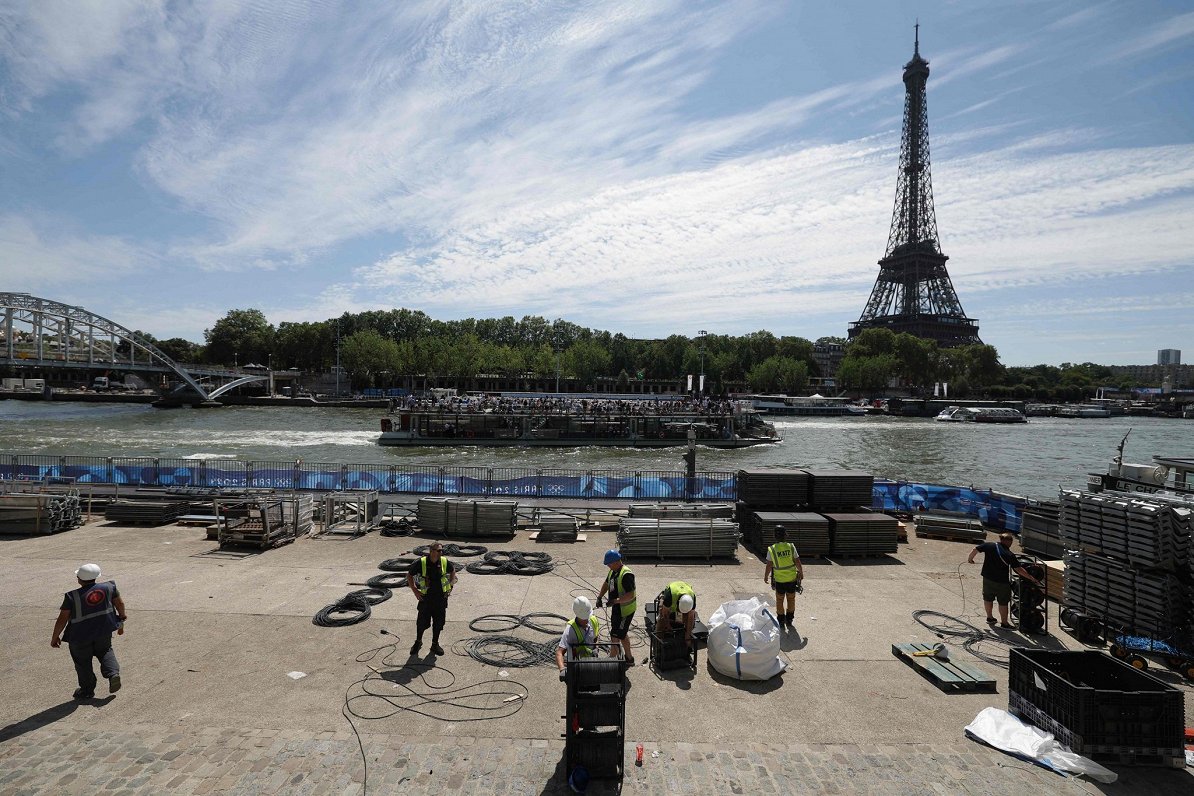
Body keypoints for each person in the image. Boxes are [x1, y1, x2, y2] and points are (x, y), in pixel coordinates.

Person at [51, 563, 126, 700]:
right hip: (103, 631)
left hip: (79, 637)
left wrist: (55, 636)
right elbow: (120, 603)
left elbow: (62, 618)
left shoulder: (71, 596)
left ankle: (87, 690)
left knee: (82, 662)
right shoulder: (109, 587)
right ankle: (113, 674)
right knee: (105, 651)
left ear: (79, 579)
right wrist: (122, 617)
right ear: (97, 577)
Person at [968, 533, 1042, 629]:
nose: (1011, 544)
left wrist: (970, 559)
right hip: (1001, 582)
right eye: (1011, 542)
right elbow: (1019, 569)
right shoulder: (1009, 554)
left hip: (987, 578)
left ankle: (989, 618)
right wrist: (1031, 578)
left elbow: (975, 549)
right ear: (1008, 541)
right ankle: (1004, 623)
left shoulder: (989, 545)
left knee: (988, 598)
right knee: (1003, 602)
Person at [407, 541, 457, 656]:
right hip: (426, 598)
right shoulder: (422, 562)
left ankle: (435, 644)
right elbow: (409, 575)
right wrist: (415, 591)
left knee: (439, 623)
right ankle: (418, 642)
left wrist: (451, 585)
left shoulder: (444, 561)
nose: (441, 552)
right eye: (439, 550)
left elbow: (453, 570)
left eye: (441, 550)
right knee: (421, 622)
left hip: (440, 598)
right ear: (432, 551)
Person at [595, 549, 636, 665]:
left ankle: (611, 662)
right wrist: (599, 597)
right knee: (622, 634)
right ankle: (629, 659)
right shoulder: (613, 571)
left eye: (609, 563)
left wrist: (615, 601)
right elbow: (607, 583)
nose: (608, 566)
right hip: (617, 608)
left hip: (625, 611)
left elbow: (630, 595)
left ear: (616, 561)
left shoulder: (626, 575)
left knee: (615, 636)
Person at [764, 526, 803, 629]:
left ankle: (781, 621)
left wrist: (766, 576)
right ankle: (789, 620)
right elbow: (797, 561)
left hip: (779, 579)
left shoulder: (772, 549)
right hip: (791, 578)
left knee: (779, 600)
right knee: (791, 599)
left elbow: (769, 565)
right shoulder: (791, 547)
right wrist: (801, 572)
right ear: (786, 535)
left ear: (774, 536)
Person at [556, 596, 602, 681]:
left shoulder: (593, 620)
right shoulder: (570, 630)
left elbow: (596, 637)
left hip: (593, 663)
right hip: (578, 667)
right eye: (584, 618)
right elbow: (559, 652)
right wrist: (562, 669)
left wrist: (596, 647)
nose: (586, 619)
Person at [655, 580, 696, 647]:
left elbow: (691, 618)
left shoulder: (692, 598)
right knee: (661, 619)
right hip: (669, 596)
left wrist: (687, 636)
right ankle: (659, 644)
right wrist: (667, 625)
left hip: (683, 595)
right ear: (678, 602)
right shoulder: (670, 596)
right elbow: (665, 614)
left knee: (690, 622)